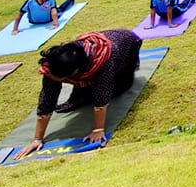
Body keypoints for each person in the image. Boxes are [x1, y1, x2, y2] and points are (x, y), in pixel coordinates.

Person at [12, 29, 144, 159]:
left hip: (127, 45)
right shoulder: (54, 63)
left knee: (116, 89)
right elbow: (47, 97)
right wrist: (37, 139)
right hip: (92, 57)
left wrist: (98, 130)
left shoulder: (102, 60)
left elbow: (102, 97)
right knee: (82, 96)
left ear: (76, 72)